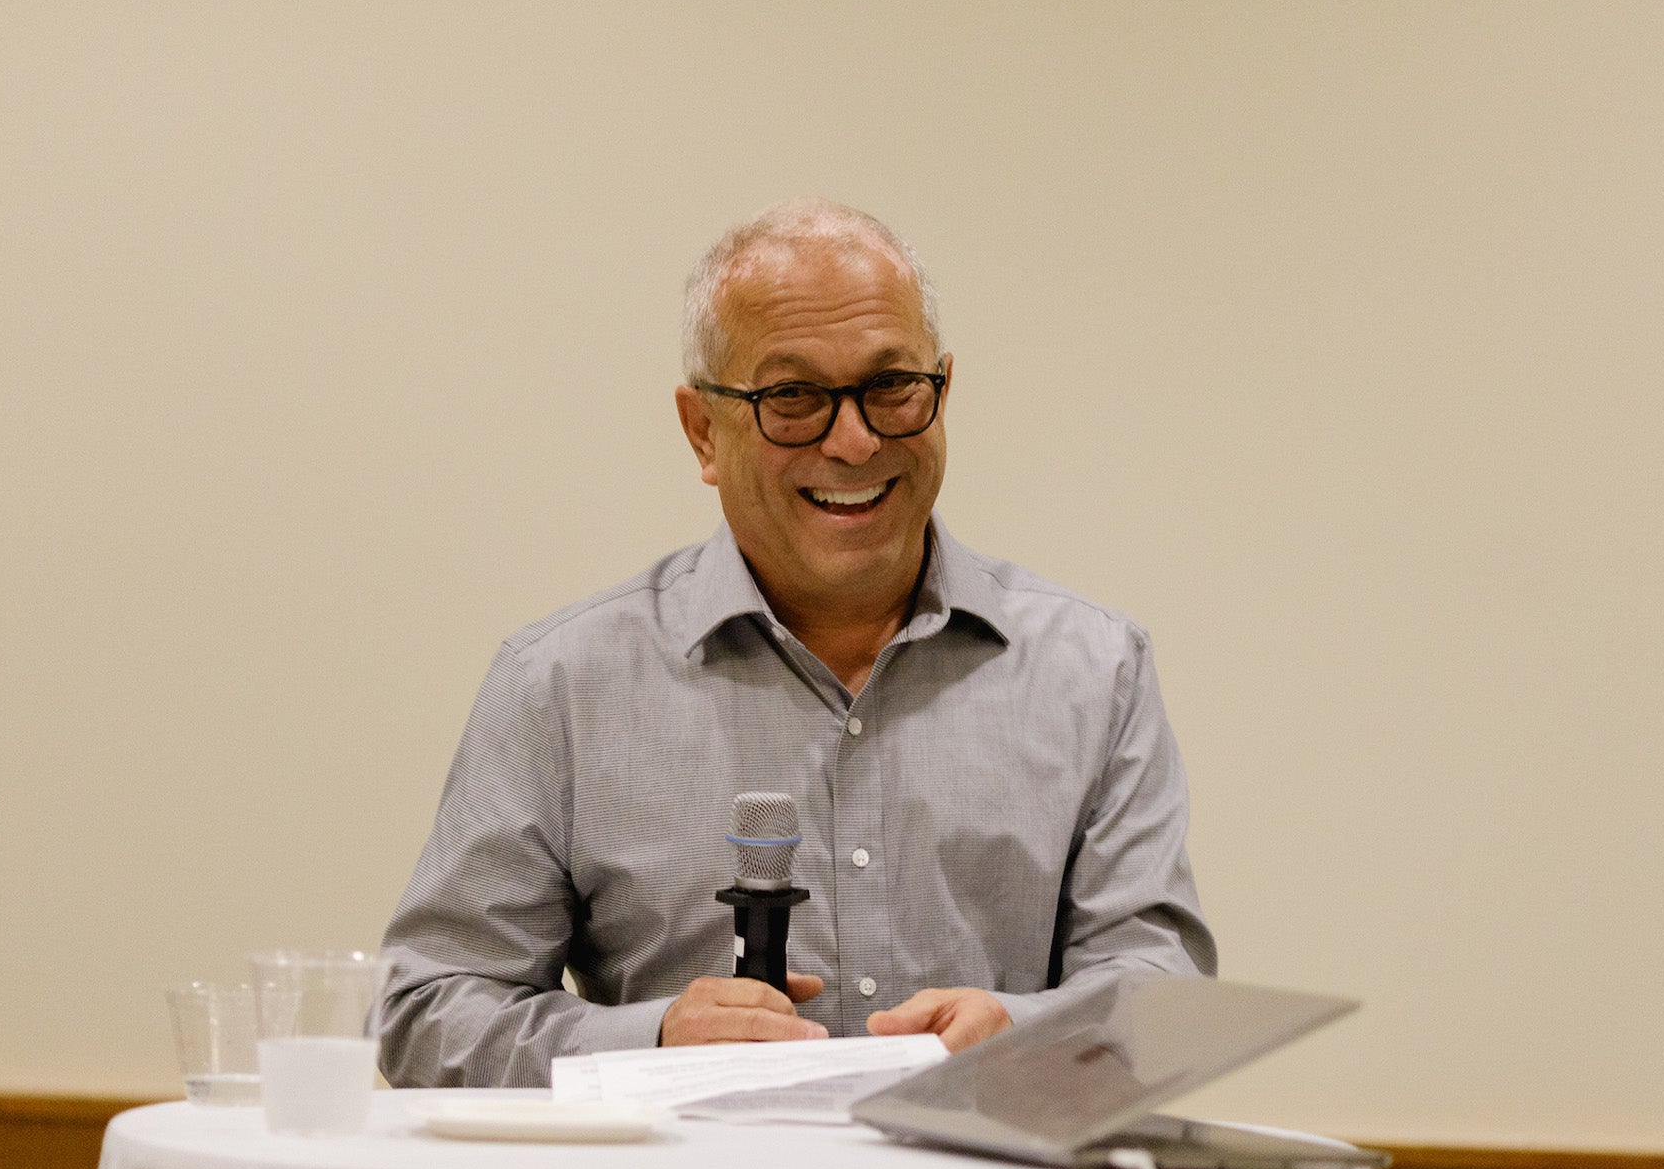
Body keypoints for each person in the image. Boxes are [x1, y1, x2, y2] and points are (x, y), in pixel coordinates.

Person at [377, 200, 1215, 1087]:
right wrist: (651, 1042)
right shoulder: (562, 685)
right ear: (703, 431)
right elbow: (429, 1008)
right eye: (793, 399)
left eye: (891, 387)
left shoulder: (1095, 671)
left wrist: (1023, 1032)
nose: (853, 442)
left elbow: (1162, 994)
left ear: (943, 392)